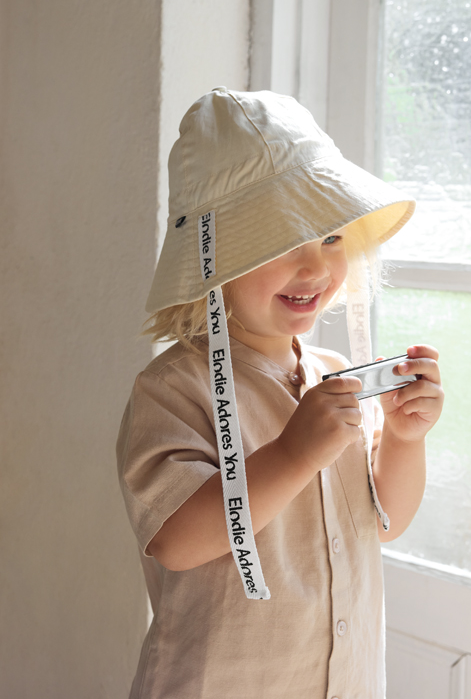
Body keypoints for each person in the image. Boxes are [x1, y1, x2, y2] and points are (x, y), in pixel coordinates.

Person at [116, 88, 444, 698]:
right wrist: (294, 454)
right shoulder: (173, 390)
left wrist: (403, 438)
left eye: (331, 239)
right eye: (280, 242)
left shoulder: (335, 373)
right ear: (215, 261)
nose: (315, 268)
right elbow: (177, 541)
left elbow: (384, 520)